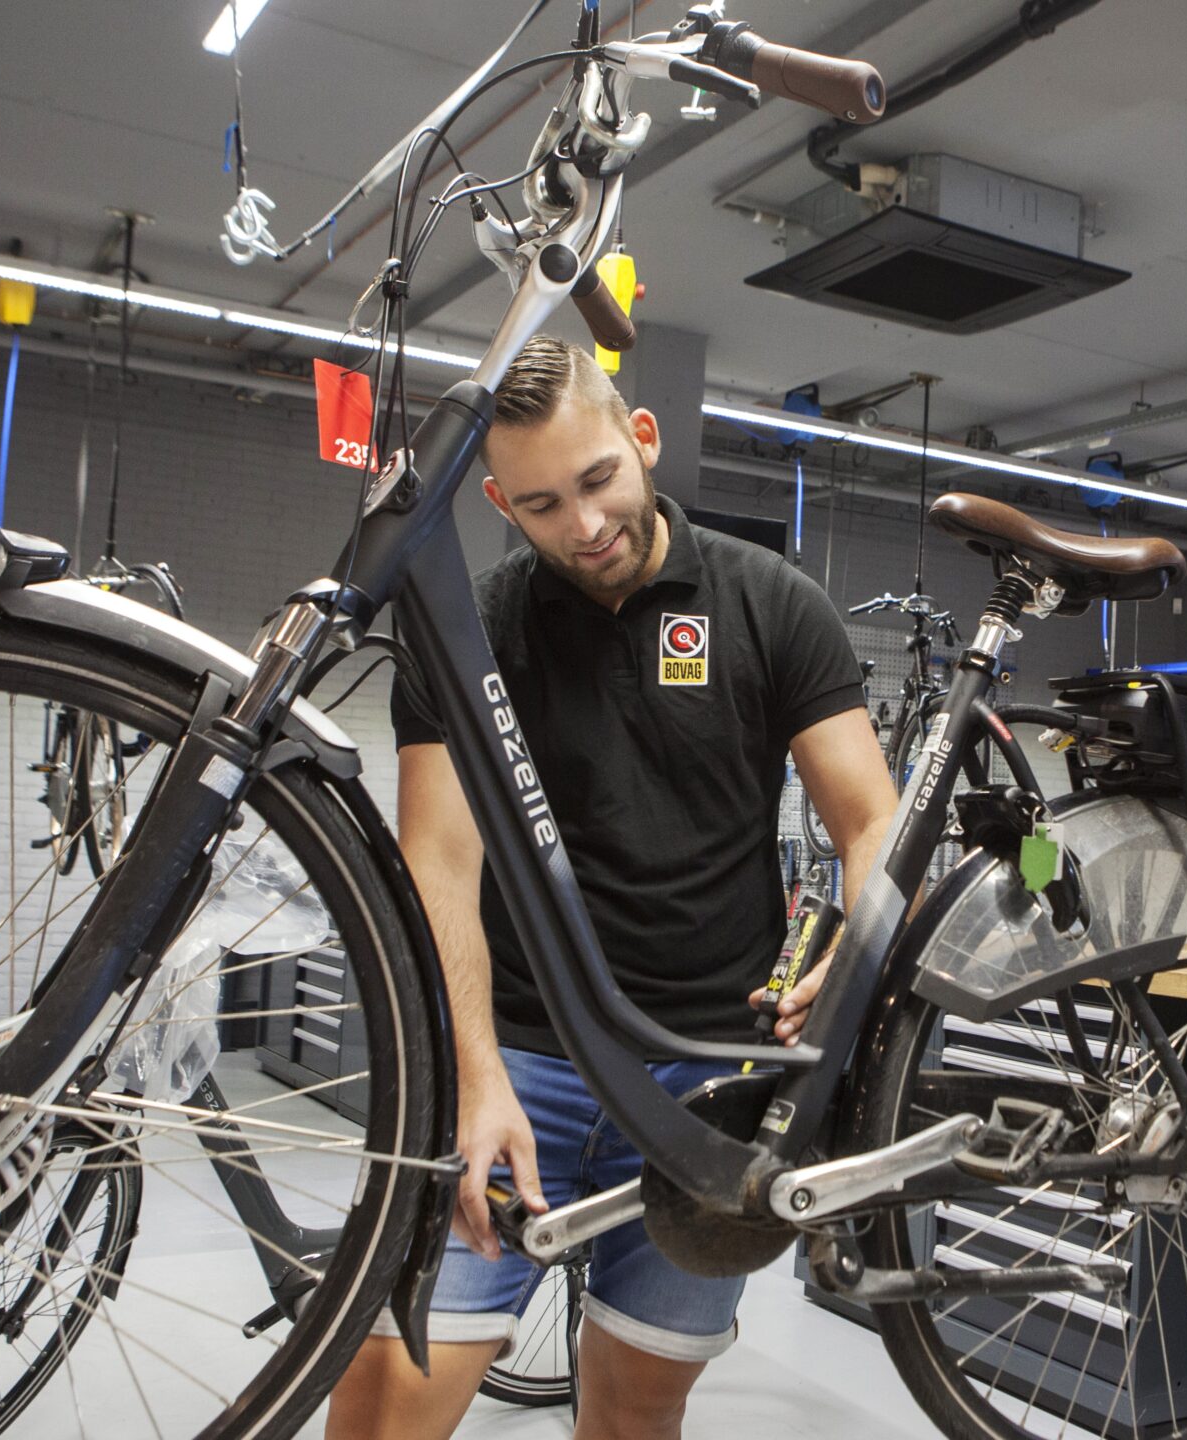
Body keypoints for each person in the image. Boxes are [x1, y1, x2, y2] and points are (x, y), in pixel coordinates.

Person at [327, 337, 897, 1440]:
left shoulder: (771, 604)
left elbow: (871, 821)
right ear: (499, 500)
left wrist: (852, 957)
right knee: (392, 1399)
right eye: (541, 504)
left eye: (597, 482)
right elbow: (437, 863)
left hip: (704, 1090)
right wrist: (471, 1076)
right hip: (522, 1069)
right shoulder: (468, 629)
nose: (583, 526)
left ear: (642, 441)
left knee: (637, 1415)